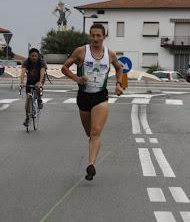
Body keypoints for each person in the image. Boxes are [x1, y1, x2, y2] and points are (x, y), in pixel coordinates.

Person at [61, 23, 123, 181]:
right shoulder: (81, 51)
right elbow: (65, 68)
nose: (95, 38)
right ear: (90, 36)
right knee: (89, 133)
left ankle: (91, 165)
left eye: (98, 35)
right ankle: (92, 157)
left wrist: (118, 84)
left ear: (104, 37)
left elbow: (119, 68)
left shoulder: (110, 54)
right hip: (83, 96)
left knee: (96, 130)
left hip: (100, 96)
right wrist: (77, 78)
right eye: (93, 35)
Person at [20, 48, 47, 127]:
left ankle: (39, 100)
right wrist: (21, 82)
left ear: (38, 56)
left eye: (35, 56)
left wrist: (40, 82)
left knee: (38, 87)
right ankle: (27, 118)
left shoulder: (41, 61)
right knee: (28, 99)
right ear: (29, 56)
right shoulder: (26, 62)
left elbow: (42, 72)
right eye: (32, 56)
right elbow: (22, 72)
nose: (34, 57)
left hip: (39, 79)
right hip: (30, 80)